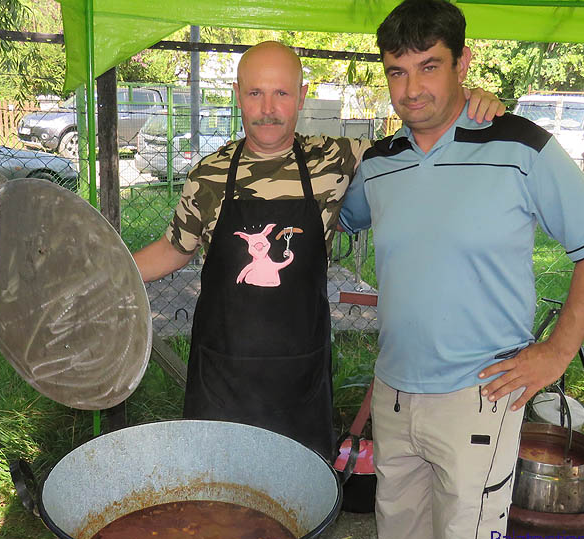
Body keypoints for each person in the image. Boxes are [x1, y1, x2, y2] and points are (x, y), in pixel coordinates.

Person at [338, 1, 584, 539]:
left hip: (480, 396)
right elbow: (332, 217)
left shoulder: (518, 145)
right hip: (394, 396)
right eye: (397, 71)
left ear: (463, 63)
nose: (412, 88)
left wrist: (557, 352)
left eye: (429, 65)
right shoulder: (378, 164)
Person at [133, 40, 504, 459]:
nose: (268, 108)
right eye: (255, 93)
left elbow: (419, 136)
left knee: (297, 499)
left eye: (282, 93)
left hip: (300, 374)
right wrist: (112, 274)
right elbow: (173, 249)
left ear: (302, 96)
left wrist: (464, 103)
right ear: (238, 94)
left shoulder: (336, 159)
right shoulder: (209, 174)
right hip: (221, 375)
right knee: (217, 495)